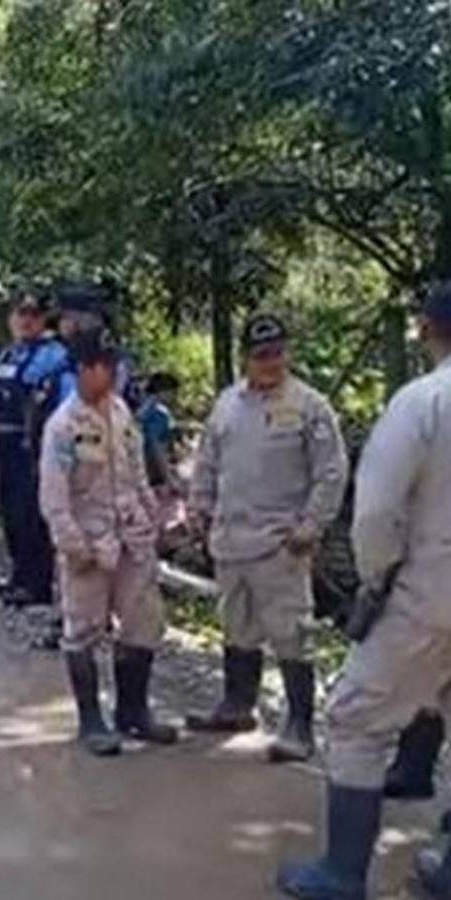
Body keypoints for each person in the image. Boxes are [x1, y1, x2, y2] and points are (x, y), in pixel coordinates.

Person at [278, 284, 451, 899]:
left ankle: (342, 874)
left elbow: (377, 512)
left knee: (354, 718)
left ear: (428, 327)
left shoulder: (423, 401)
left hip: (427, 588)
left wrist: (375, 582)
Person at [187, 312, 348, 764]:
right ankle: (237, 705)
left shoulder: (309, 405)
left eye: (277, 353)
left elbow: (331, 472)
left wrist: (311, 525)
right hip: (230, 539)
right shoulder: (227, 404)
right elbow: (207, 462)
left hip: (281, 542)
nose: (270, 362)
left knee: (291, 633)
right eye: (261, 355)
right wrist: (199, 507)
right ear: (245, 358)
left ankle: (299, 726)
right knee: (236, 624)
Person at [40, 330, 178, 756]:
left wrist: (155, 518)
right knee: (83, 630)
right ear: (86, 369)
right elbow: (54, 496)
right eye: (106, 366)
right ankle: (91, 720)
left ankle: (133, 712)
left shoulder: (120, 412)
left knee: (144, 622)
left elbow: (137, 473)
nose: (115, 372)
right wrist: (73, 547)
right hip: (90, 544)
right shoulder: (64, 425)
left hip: (132, 539)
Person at [0, 287, 74, 608]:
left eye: (33, 314)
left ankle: (37, 584)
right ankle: (18, 575)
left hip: (32, 444)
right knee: (11, 512)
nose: (26, 321)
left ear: (44, 318)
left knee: (34, 514)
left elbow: (58, 401)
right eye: (21, 314)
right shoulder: (8, 354)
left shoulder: (53, 354)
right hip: (3, 443)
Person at [137, 372, 182, 496]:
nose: (175, 397)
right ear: (164, 391)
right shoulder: (159, 413)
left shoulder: (141, 409)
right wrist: (169, 478)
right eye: (174, 393)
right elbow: (155, 447)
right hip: (151, 474)